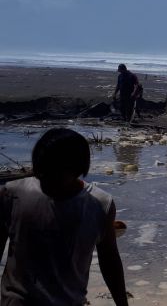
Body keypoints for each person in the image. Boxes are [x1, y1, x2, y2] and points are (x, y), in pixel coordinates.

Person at [0, 128, 129, 306]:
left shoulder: (99, 205)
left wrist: (122, 303)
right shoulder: (13, 194)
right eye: (41, 172)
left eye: (54, 173)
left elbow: (109, 261)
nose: (45, 179)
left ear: (77, 169)